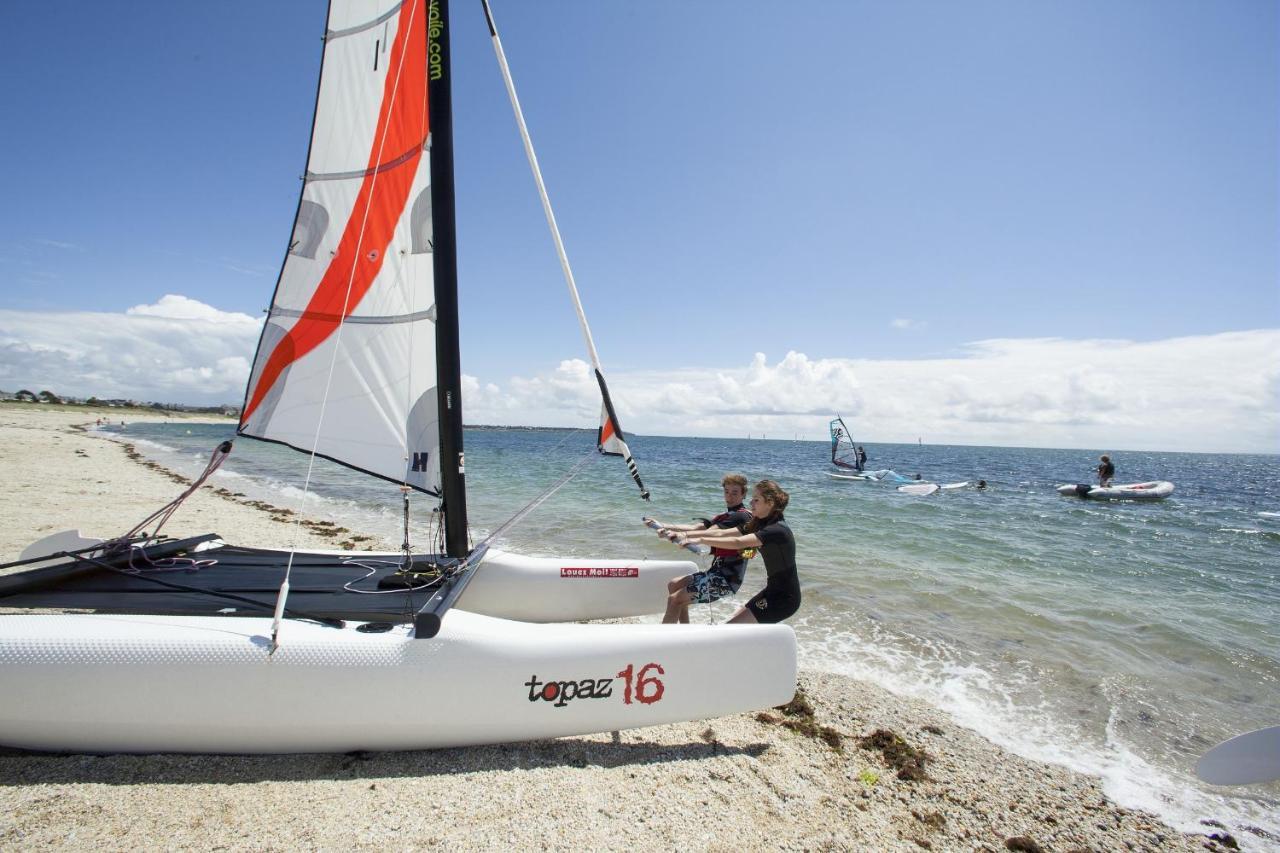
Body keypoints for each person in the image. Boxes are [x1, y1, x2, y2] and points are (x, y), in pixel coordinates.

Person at [671, 480, 800, 625]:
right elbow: (723, 534)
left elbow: (738, 542)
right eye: (752, 498)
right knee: (732, 629)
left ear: (769, 503)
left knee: (730, 630)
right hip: (771, 592)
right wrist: (687, 536)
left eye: (756, 500)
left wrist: (700, 539)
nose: (751, 503)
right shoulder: (760, 523)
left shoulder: (777, 530)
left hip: (785, 599)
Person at [644, 474, 753, 624]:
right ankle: (685, 630)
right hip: (715, 573)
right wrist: (663, 525)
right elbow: (696, 527)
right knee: (674, 585)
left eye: (735, 492)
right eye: (726, 491)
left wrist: (681, 535)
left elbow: (710, 532)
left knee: (675, 599)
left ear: (744, 494)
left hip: (726, 581)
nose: (729, 496)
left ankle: (664, 641)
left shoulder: (741, 517)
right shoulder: (726, 515)